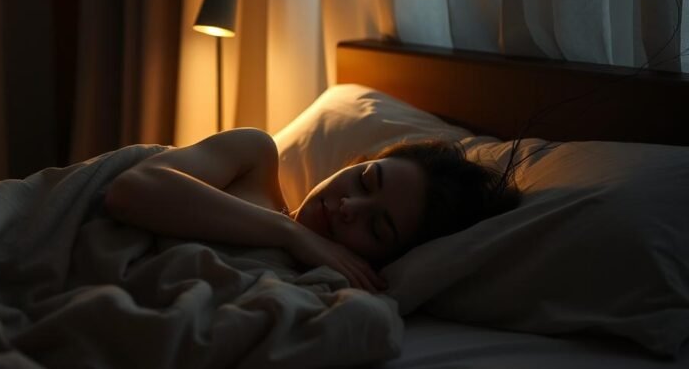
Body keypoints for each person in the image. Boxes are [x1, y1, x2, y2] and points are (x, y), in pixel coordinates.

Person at [105, 127, 520, 293]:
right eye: (365, 179)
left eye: (377, 228)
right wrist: (292, 233)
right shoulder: (255, 158)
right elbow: (129, 190)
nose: (347, 207)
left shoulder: (322, 290)